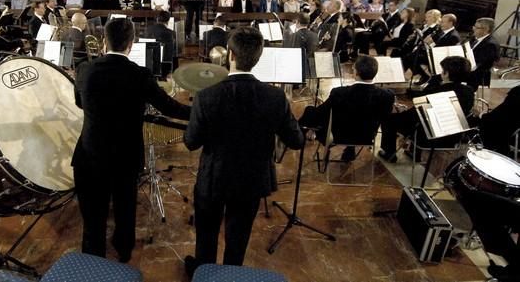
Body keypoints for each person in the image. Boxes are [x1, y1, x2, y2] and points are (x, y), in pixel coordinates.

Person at [183, 27, 304, 275]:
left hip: (213, 178)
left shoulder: (207, 96)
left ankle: (204, 274)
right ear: (257, 58)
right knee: (238, 239)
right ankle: (231, 276)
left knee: (206, 236)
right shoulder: (276, 97)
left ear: (230, 54)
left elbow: (191, 142)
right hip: (252, 179)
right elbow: (296, 140)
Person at [72, 18, 190, 262]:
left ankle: (93, 259)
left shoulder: (85, 69)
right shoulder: (140, 75)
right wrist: (199, 110)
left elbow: (79, 102)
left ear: (105, 41)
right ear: (131, 43)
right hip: (125, 155)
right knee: (125, 209)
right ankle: (124, 252)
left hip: (90, 153)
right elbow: (169, 107)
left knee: (93, 215)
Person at [378, 56, 474, 162]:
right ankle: (413, 151)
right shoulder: (469, 91)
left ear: (446, 74)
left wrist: (401, 111)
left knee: (388, 116)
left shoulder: (436, 91)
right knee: (425, 121)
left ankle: (388, 153)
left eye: (443, 71)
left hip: (428, 138)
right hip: (453, 137)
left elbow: (415, 115)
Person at [299, 56, 395, 161]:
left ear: (356, 73)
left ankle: (297, 136)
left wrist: (313, 110)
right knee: (358, 117)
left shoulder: (339, 93)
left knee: (310, 110)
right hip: (367, 137)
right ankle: (350, 149)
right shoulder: (387, 96)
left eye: (353, 69)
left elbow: (321, 114)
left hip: (339, 136)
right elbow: (384, 116)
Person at [478, 84, 520, 156]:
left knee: (486, 124)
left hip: (506, 130)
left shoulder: (516, 94)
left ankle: (491, 152)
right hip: (514, 127)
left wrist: (483, 116)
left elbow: (499, 115)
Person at [465, 17, 500, 90]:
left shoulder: (491, 44)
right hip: (469, 68)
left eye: (477, 27)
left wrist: (465, 67)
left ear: (486, 29)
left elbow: (482, 63)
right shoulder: (475, 39)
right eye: (474, 26)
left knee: (451, 75)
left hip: (478, 74)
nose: (473, 29)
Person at [146, 11, 177, 76]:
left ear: (158, 18)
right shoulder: (170, 33)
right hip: (164, 65)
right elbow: (173, 52)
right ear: (168, 21)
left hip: (149, 62)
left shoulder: (148, 29)